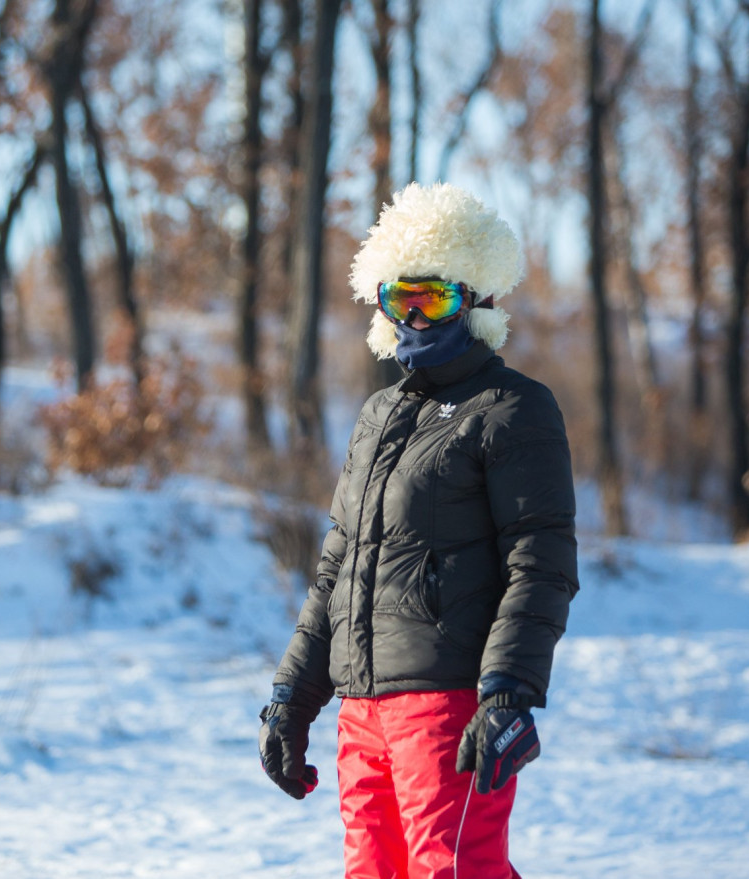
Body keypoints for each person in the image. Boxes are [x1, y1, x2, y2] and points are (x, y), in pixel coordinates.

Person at [258, 182, 579, 879]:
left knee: (454, 868)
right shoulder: (377, 416)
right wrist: (292, 698)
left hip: (448, 705)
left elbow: (541, 562)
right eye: (398, 298)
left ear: (477, 298)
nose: (414, 316)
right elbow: (335, 570)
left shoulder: (512, 408)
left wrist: (507, 692)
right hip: (362, 708)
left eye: (433, 299)